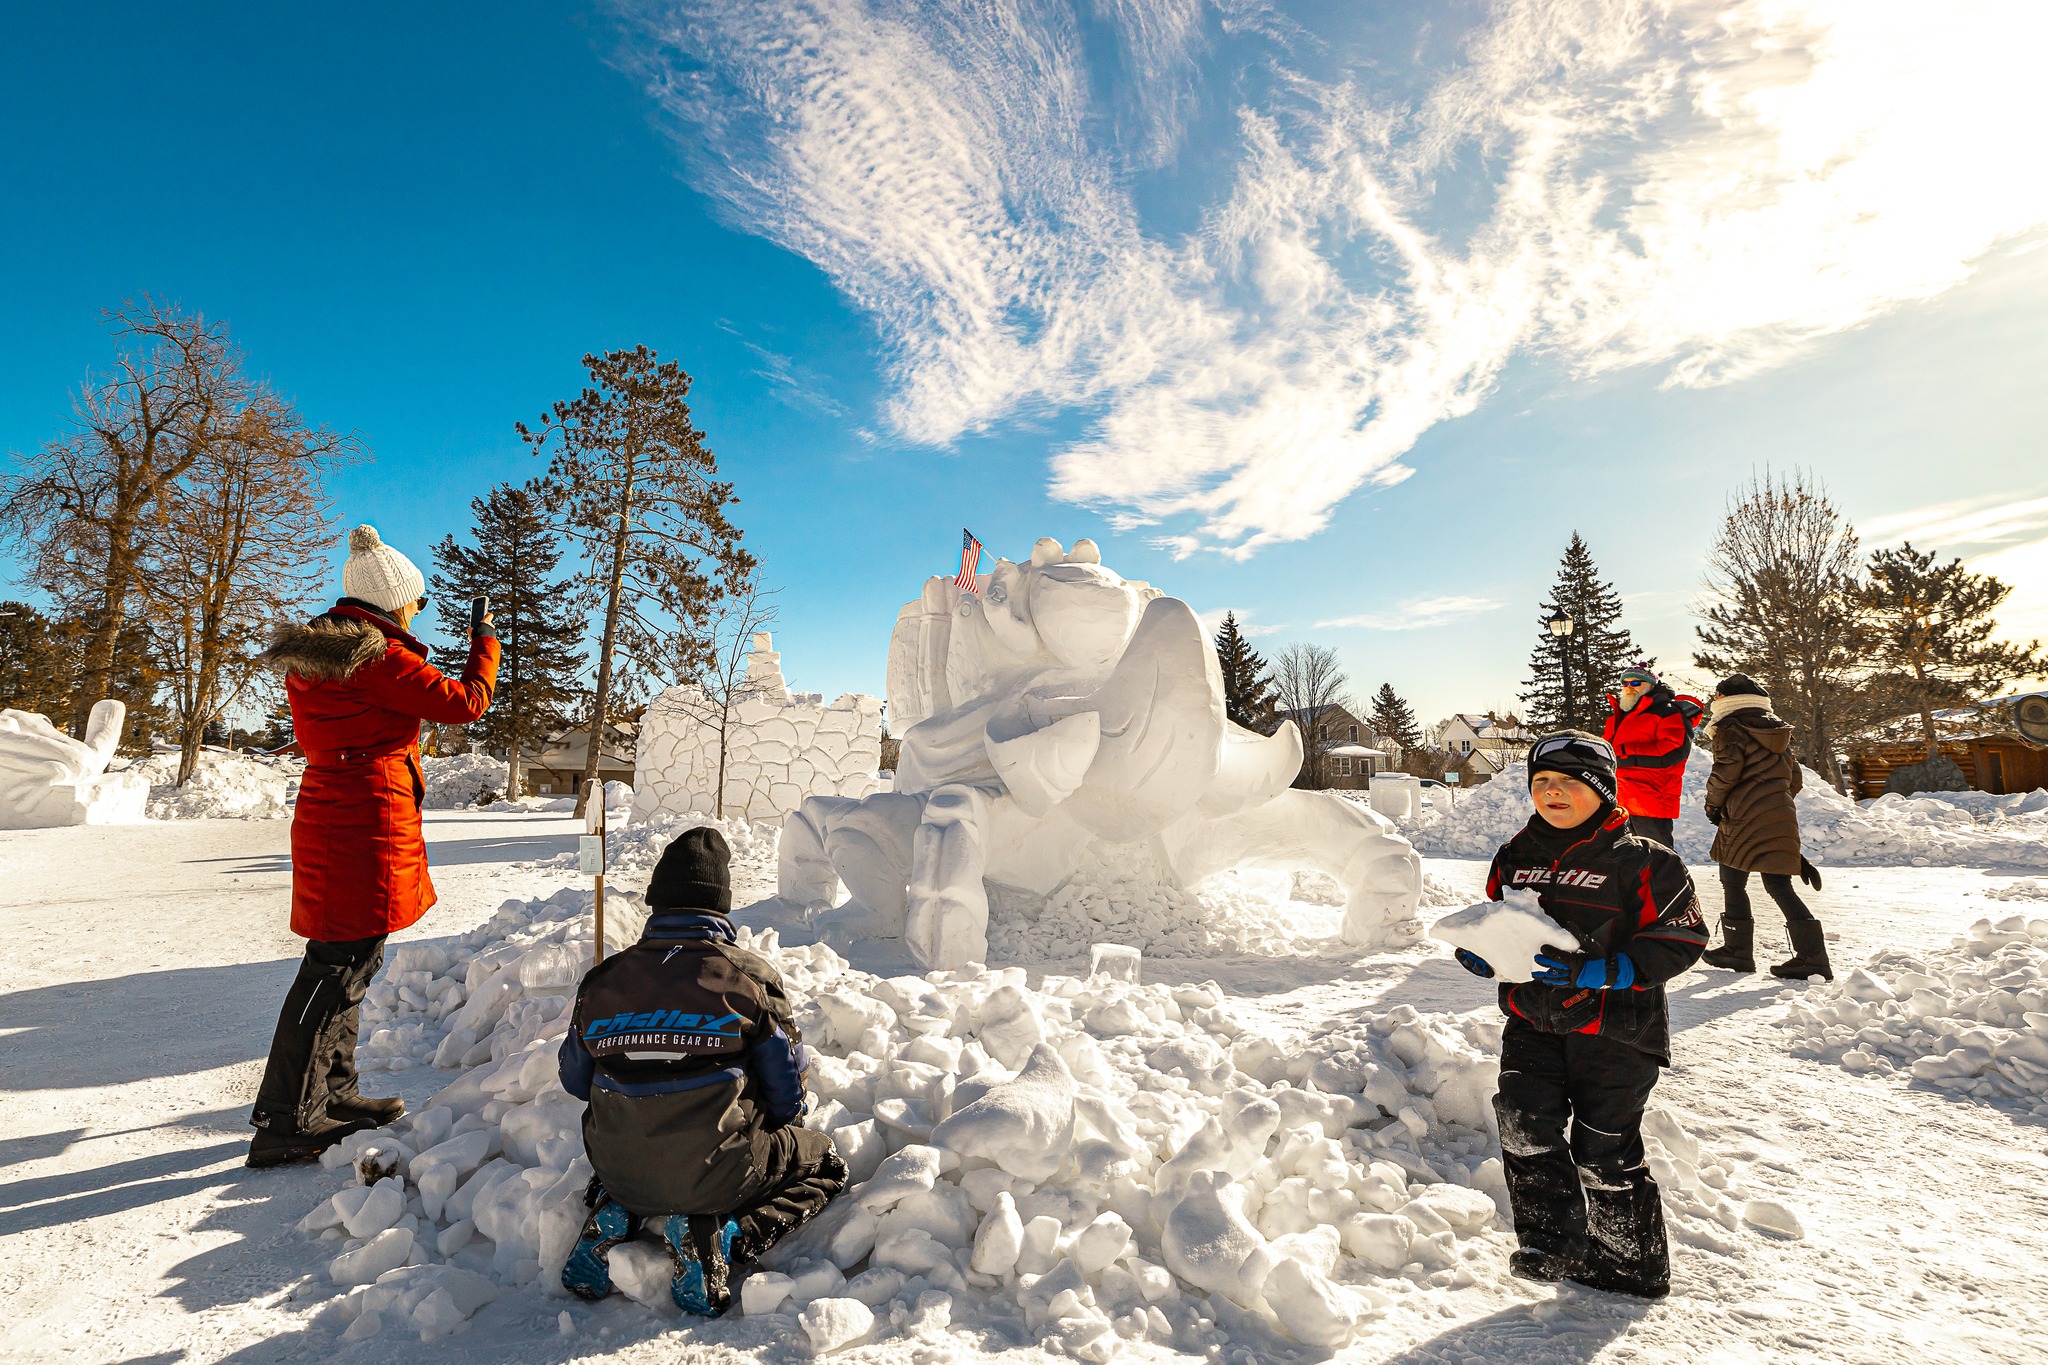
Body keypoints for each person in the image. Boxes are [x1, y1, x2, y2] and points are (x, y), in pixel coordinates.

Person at [246, 525, 498, 1168]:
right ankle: (287, 1119)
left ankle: (333, 1093)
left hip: (339, 810)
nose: (418, 610)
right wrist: (485, 640)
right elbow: (466, 702)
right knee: (337, 965)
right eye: (416, 600)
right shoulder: (378, 657)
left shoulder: (324, 655)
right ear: (394, 601)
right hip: (365, 818)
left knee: (349, 960)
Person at [1453, 731, 1707, 1298]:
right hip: (1532, 1019)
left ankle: (1631, 1265)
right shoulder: (1515, 858)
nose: (1552, 791)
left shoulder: (1645, 861)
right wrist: (1484, 953)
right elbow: (1498, 923)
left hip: (1618, 1029)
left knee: (1603, 1149)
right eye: (1542, 781)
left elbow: (1684, 937)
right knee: (1524, 1123)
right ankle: (1551, 1246)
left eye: (1570, 781)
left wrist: (1606, 970)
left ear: (1602, 789)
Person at [557, 827, 848, 1316]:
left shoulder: (603, 979)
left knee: (639, 1147)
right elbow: (786, 1096)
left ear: (657, 901)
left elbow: (573, 1081)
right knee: (826, 1164)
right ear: (720, 905)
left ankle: (617, 1211)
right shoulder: (749, 979)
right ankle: (725, 1235)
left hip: (615, 1167)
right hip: (720, 1173)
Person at [1700, 674, 1831, 980]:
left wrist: (1713, 805)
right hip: (1779, 814)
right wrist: (1773, 802)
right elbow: (1794, 778)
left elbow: (1725, 773)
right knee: (1778, 885)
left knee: (1733, 881)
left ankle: (1740, 950)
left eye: (1717, 696)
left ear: (1728, 700)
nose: (1714, 701)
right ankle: (1810, 956)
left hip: (1742, 815)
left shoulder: (1731, 727)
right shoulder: (1776, 730)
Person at [1601, 664, 1694, 849]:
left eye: (1636, 682)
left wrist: (1626, 753)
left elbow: (1673, 751)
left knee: (1658, 855)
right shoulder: (1618, 715)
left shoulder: (1667, 711)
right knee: (1626, 856)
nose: (1629, 687)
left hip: (1651, 797)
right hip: (1621, 798)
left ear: (1651, 685)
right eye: (1625, 683)